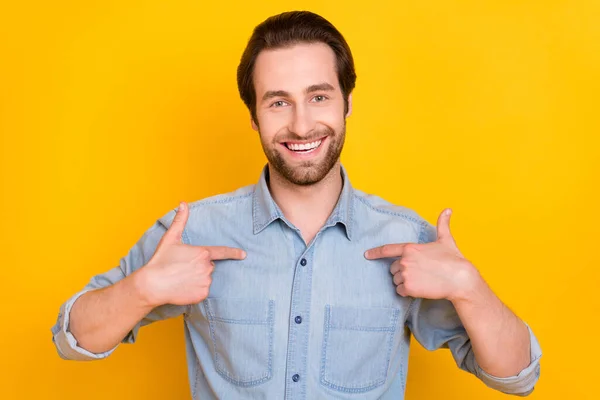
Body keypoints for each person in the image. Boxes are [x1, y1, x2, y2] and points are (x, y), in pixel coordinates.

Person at [51, 10, 542, 399]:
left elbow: (517, 376)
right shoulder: (193, 230)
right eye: (278, 102)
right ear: (254, 116)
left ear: (347, 102)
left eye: (319, 96)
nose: (303, 125)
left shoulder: (409, 241)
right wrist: (141, 290)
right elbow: (71, 339)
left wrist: (469, 288)